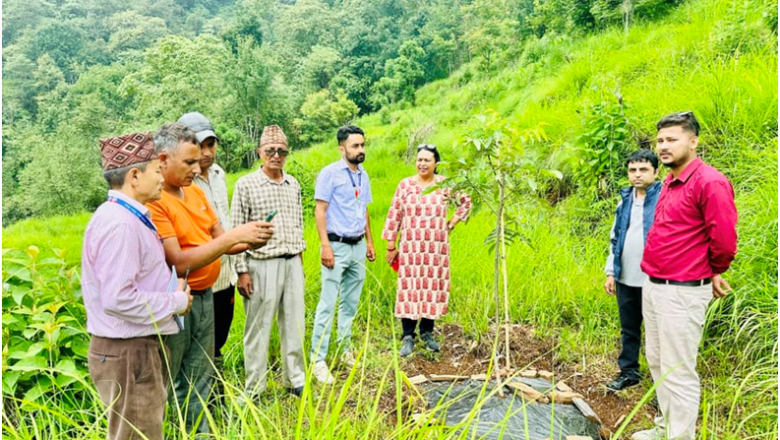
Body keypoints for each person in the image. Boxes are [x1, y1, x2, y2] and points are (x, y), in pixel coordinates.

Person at [147, 123, 273, 435]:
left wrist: (251, 238)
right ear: (163, 160)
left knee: (201, 372)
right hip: (176, 301)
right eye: (188, 162)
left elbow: (221, 237)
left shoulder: (194, 191)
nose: (197, 166)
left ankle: (201, 431)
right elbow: (177, 261)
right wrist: (235, 238)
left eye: (198, 160)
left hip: (205, 296)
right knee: (171, 376)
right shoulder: (156, 200)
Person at [632, 112, 738, 440]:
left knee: (678, 371)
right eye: (660, 140)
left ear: (693, 142)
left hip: (681, 291)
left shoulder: (710, 182)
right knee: (659, 363)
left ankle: (680, 437)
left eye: (672, 139)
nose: (663, 146)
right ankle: (666, 429)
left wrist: (713, 270)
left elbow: (724, 240)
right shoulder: (668, 181)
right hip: (654, 286)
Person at [82, 132, 192, 440]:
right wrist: (175, 302)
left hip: (132, 350)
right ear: (134, 176)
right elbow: (118, 298)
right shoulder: (121, 224)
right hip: (129, 351)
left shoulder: (124, 217)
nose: (161, 179)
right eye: (157, 171)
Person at [231, 125, 307, 398]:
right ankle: (255, 387)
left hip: (292, 262)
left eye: (282, 151)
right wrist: (241, 271)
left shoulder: (293, 183)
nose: (276, 156)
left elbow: (298, 224)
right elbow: (237, 227)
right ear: (259, 152)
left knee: (295, 323)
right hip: (261, 264)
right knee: (258, 328)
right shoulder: (246, 184)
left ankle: (295, 379)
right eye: (270, 151)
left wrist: (299, 263)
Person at [381, 144, 471, 357]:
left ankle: (427, 333)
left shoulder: (445, 185)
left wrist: (453, 222)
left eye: (427, 160)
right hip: (411, 249)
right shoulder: (405, 185)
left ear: (435, 164)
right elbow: (395, 215)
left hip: (436, 250)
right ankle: (408, 336)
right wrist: (391, 246)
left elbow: (466, 201)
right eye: (419, 159)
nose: (422, 163)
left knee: (432, 289)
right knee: (409, 289)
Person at [310, 125, 376, 384]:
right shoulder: (330, 174)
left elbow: (365, 210)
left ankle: (344, 349)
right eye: (355, 146)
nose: (360, 150)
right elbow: (320, 211)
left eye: (362, 145)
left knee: (350, 302)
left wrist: (370, 242)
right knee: (327, 303)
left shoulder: (363, 175)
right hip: (335, 246)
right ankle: (318, 359)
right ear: (342, 148)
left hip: (357, 245)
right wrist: (325, 246)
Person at [177, 112, 237, 368]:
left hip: (226, 276)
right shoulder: (182, 184)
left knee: (220, 339)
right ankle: (205, 400)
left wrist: (240, 268)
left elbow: (224, 223)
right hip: (200, 283)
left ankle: (216, 394)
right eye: (199, 146)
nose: (206, 152)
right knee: (199, 347)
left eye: (210, 144)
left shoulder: (219, 174)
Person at [603, 149, 662, 391]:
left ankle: (662, 382)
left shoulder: (664, 198)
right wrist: (611, 272)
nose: (637, 175)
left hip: (655, 278)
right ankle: (629, 372)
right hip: (626, 275)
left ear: (656, 172)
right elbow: (615, 237)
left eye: (643, 169)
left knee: (658, 331)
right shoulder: (625, 199)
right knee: (629, 327)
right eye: (632, 170)